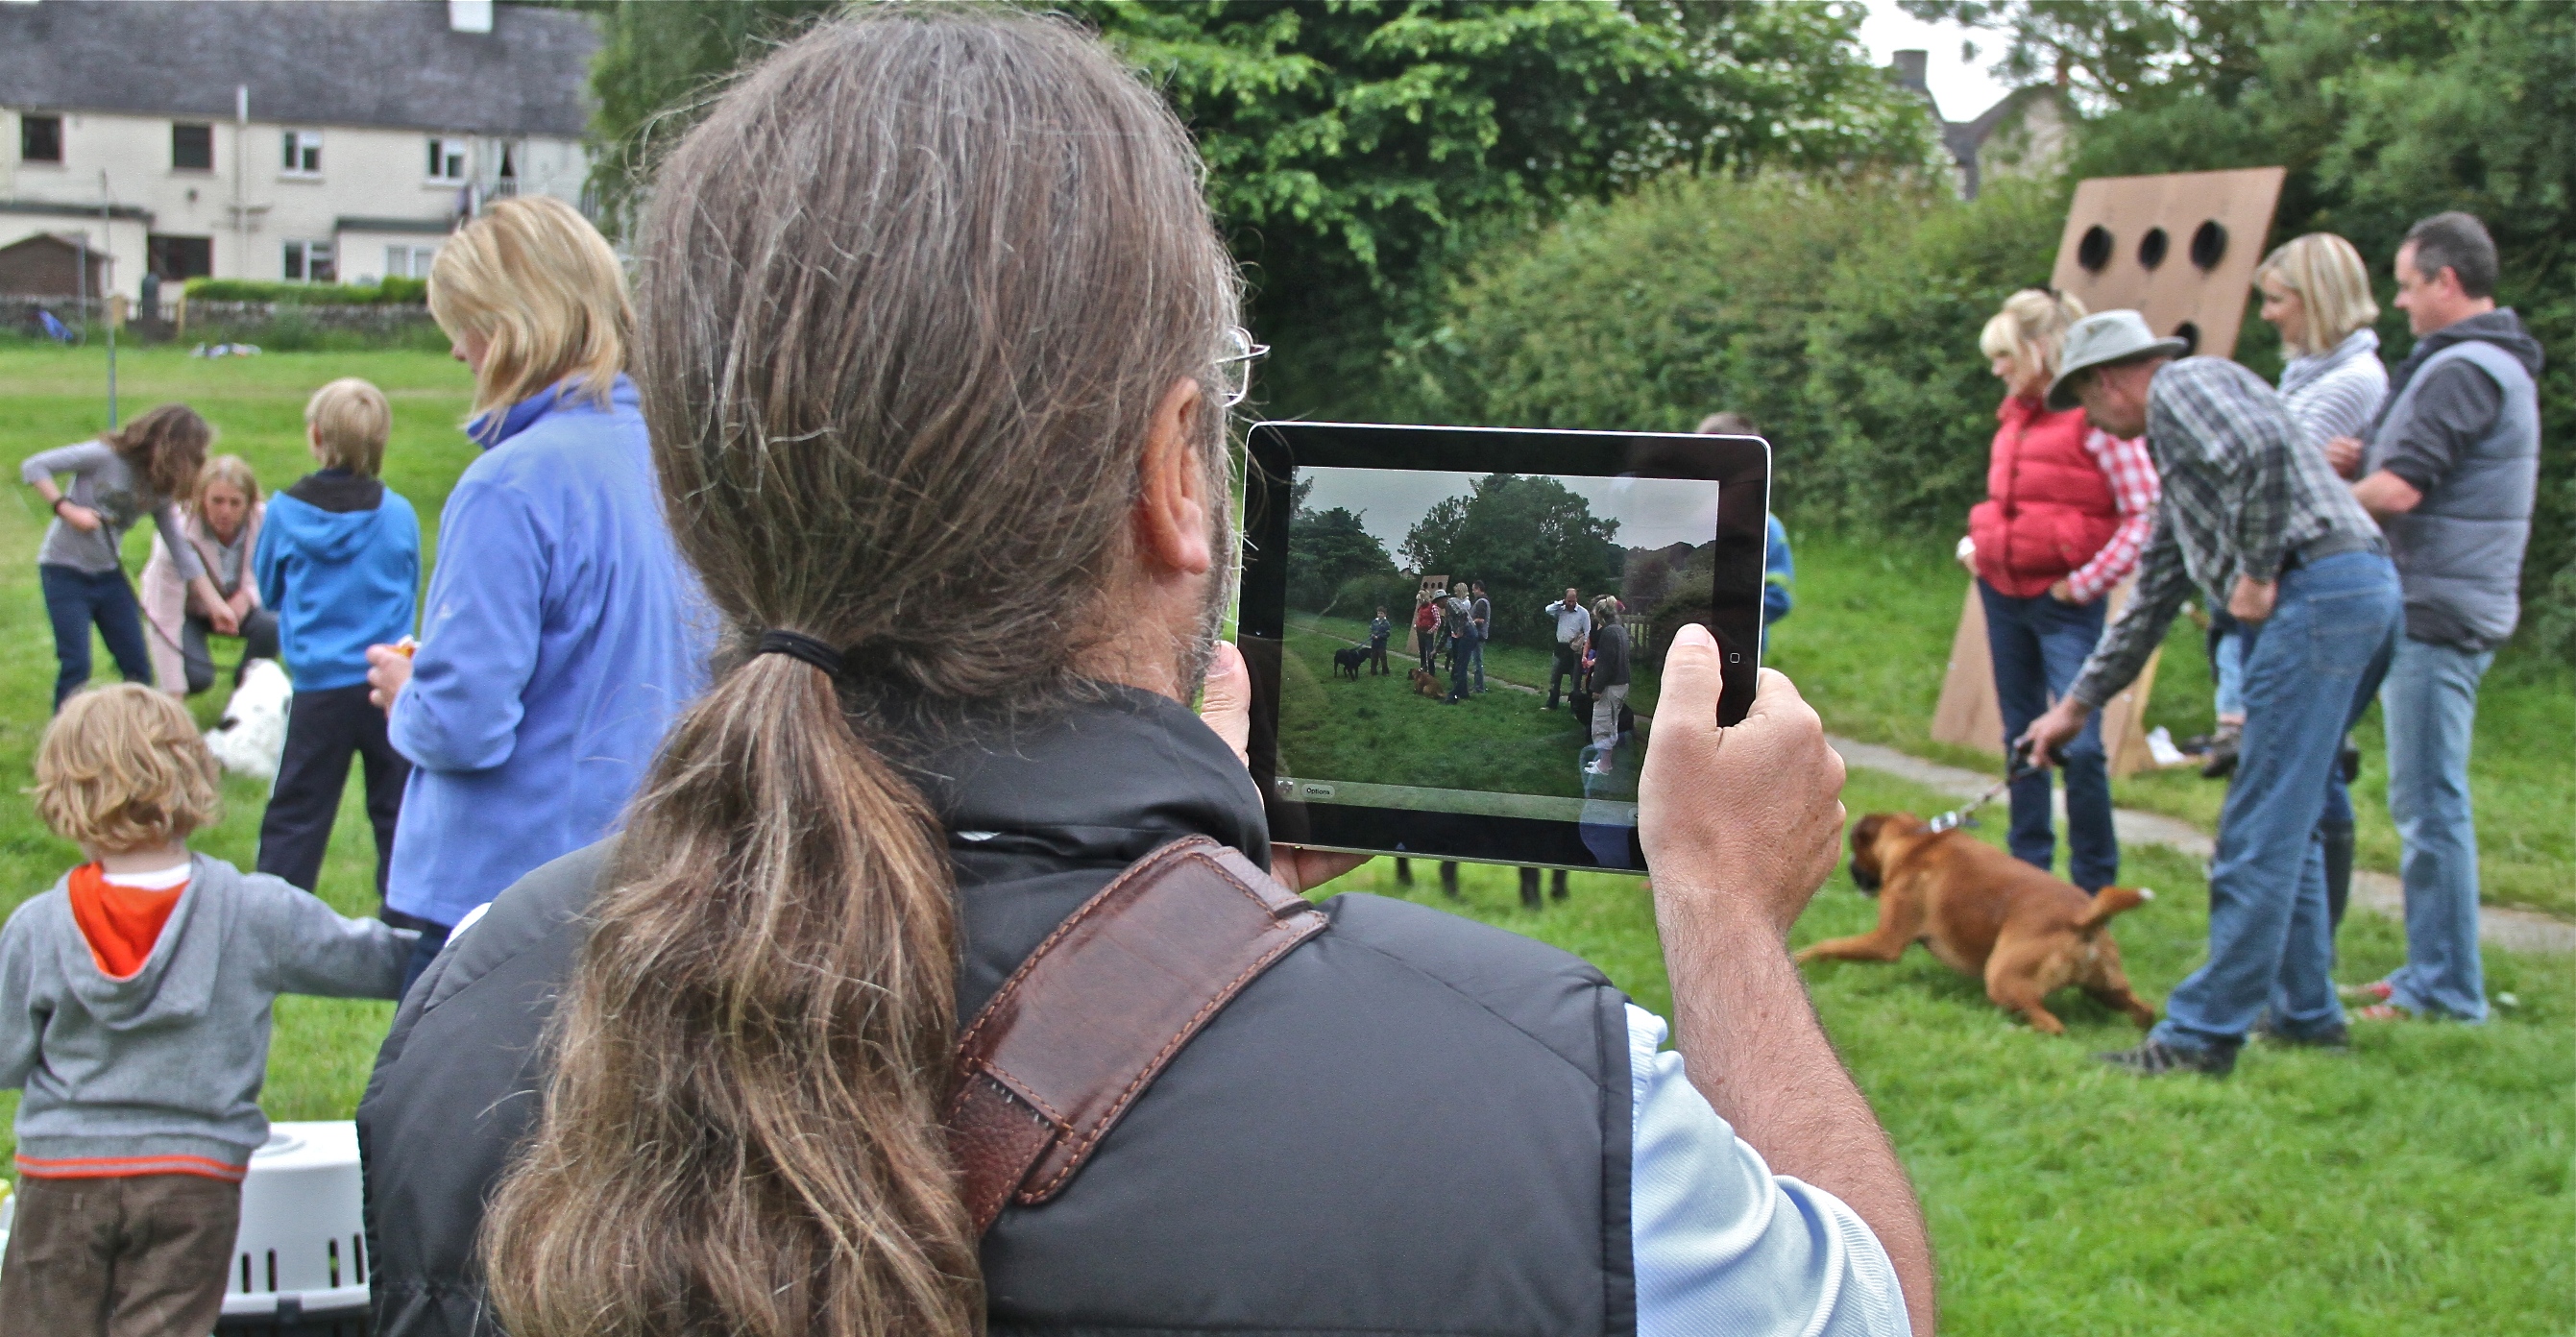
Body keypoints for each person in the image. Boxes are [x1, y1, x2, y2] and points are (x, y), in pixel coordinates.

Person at [357, 16, 1932, 1337]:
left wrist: (1188, 908)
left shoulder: (472, 1010)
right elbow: (1867, 1301)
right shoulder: (1561, 1113)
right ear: (1177, 472)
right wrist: (1724, 914)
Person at [2024, 310, 2395, 1076]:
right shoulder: (2182, 461)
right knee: (2296, 812)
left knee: (2257, 828)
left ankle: (2199, 1038)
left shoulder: (2183, 386)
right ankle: (2306, 1013)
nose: (2089, 422)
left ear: (2108, 380)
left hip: (2315, 597)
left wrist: (2257, 570)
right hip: (2358, 589)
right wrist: (2075, 706)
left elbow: (2265, 451)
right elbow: (2152, 598)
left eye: (2084, 402)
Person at [359, 196, 710, 993]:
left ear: (514, 326)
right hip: (647, 877)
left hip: (506, 903)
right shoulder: (677, 465)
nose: (457, 350)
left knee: (442, 1083)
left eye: (466, 325)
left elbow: (465, 724)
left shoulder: (512, 484)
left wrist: (409, 694)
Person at [0, 685, 414, 1336]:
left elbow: (6, 1057)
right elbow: (384, 964)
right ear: (192, 773)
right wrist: (476, 937)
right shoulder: (254, 911)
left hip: (62, 1174)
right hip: (194, 1180)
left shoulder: (38, 927)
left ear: (65, 792)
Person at [2336, 211, 2541, 1025]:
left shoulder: (2463, 369)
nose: (2399, 301)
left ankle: (2447, 989)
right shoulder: (2484, 364)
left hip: (2438, 607)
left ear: (2446, 282)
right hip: (2447, 599)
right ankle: (2432, 967)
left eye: (2407, 284)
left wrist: (2315, 509)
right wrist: (2363, 458)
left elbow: (2401, 490)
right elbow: (2416, 469)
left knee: (2430, 805)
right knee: (2426, 800)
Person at [1961, 291, 2158, 894]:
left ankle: (2094, 887)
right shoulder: (2013, 417)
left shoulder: (2096, 420)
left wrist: (2087, 583)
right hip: (2002, 594)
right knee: (2021, 735)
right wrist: (1976, 547)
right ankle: (2029, 876)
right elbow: (2007, 502)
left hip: (2063, 605)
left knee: (2084, 747)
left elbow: (2145, 512)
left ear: (2039, 349)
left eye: (2005, 355)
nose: (1996, 368)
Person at [2202, 233, 2391, 787]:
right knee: (2294, 754)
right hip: (2279, 574)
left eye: (2277, 300)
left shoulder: (2351, 381)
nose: (2266, 314)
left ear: (2317, 299)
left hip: (2301, 577)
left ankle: (2316, 826)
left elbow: (2273, 480)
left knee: (2292, 756)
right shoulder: (2306, 373)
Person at [253, 378, 422, 901]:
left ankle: (273, 918)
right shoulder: (398, 514)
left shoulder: (283, 513)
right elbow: (410, 583)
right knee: (398, 813)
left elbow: (269, 590)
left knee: (296, 814)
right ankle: (407, 921)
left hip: (318, 686)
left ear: (316, 436)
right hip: (385, 683)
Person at [21, 404, 238, 710]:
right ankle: (64, 735)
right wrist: (67, 510)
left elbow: (181, 550)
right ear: (171, 447)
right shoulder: (103, 456)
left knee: (138, 669)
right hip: (63, 571)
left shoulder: (159, 487)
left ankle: (135, 732)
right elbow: (34, 466)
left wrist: (215, 604)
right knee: (76, 664)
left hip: (108, 576)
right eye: (192, 454)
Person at [140, 453, 280, 695]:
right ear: (201, 499)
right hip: (186, 610)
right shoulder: (177, 530)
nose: (225, 511)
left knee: (273, 623)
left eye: (235, 503)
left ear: (249, 503)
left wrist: (247, 596)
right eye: (217, 501)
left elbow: (279, 574)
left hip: (240, 606)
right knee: (196, 678)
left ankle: (248, 690)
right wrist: (173, 696)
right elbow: (165, 613)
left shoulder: (265, 521)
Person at [1695, 413, 1797, 630]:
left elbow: (1779, 596)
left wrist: (1734, 616)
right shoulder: (1692, 524)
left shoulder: (1768, 529)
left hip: (1740, 641)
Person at [1588, 595, 1631, 775]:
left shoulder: (1608, 632)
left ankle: (1604, 766)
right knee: (1611, 724)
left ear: (1600, 614)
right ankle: (1604, 761)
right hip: (1622, 683)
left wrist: (1596, 688)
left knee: (1602, 726)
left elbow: (1605, 664)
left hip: (1611, 686)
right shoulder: (1619, 629)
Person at [1542, 586, 1591, 709]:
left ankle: (1575, 708)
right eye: (1569, 601)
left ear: (1577, 599)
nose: (1571, 603)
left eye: (1573, 601)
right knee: (1555, 678)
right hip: (1560, 647)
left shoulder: (1583, 613)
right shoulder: (1560, 610)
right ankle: (1552, 704)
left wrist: (1584, 650)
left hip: (1574, 650)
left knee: (1575, 681)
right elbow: (1548, 610)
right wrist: (1561, 603)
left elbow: (1587, 632)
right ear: (1565, 599)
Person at [1440, 580, 1477, 703]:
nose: (1437, 605)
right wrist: (1436, 649)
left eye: (1437, 602)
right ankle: (1464, 693)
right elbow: (1445, 631)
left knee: (1460, 665)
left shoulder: (1451, 602)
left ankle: (1454, 695)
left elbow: (1463, 613)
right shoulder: (1448, 610)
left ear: (1443, 600)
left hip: (1469, 634)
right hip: (1468, 634)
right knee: (1461, 664)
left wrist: (1460, 629)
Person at [1470, 579, 1492, 692]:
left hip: (1478, 635)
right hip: (1479, 634)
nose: (1473, 592)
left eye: (1474, 589)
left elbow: (1481, 620)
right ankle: (1478, 685)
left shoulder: (1481, 602)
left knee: (1477, 662)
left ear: (1478, 589)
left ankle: (1479, 687)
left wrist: (1470, 622)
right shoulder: (1483, 601)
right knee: (1477, 661)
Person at [1412, 591, 1440, 671]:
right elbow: (1419, 618)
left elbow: (1438, 621)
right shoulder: (1420, 608)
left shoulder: (1433, 607)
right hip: (1420, 631)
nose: (1419, 602)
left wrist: (1432, 630)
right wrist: (1416, 625)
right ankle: (1423, 668)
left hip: (1428, 633)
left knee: (1429, 652)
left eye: (1420, 600)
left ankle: (1431, 671)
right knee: (1422, 651)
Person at [1367, 605, 1392, 674]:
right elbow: (1370, 630)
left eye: (1381, 613)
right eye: (1378, 613)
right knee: (1374, 657)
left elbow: (1387, 633)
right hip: (1374, 643)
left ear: (1385, 614)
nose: (1380, 615)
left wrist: (1379, 636)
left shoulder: (1386, 623)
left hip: (1382, 643)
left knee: (1383, 657)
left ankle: (1385, 672)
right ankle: (1373, 671)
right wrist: (1372, 635)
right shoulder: (1374, 622)